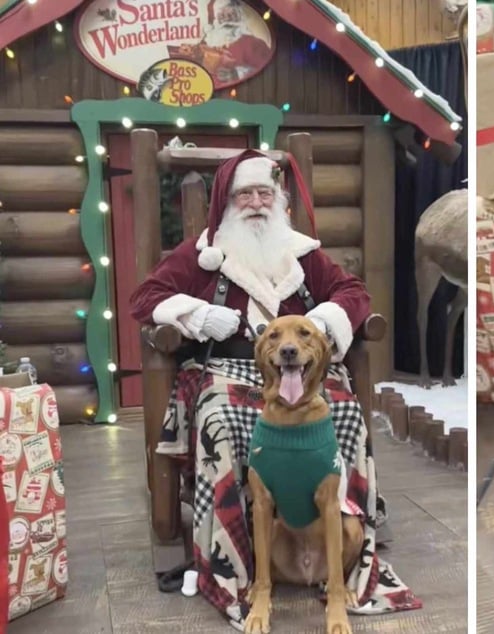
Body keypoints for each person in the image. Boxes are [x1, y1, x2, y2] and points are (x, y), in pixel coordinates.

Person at [129, 151, 421, 629]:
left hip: (302, 374)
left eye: (266, 193)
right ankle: (228, 556)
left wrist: (323, 322)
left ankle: (350, 528)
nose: (257, 203)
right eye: (246, 194)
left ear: (279, 200)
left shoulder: (302, 253)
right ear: (227, 202)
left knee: (344, 410)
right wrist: (195, 314)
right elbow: (145, 298)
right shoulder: (202, 254)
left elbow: (354, 293)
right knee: (220, 421)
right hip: (225, 367)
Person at [201, 0, 272, 80]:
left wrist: (237, 74)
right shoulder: (208, 44)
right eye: (222, 15)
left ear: (239, 17)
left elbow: (267, 71)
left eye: (232, 15)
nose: (227, 19)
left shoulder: (252, 43)